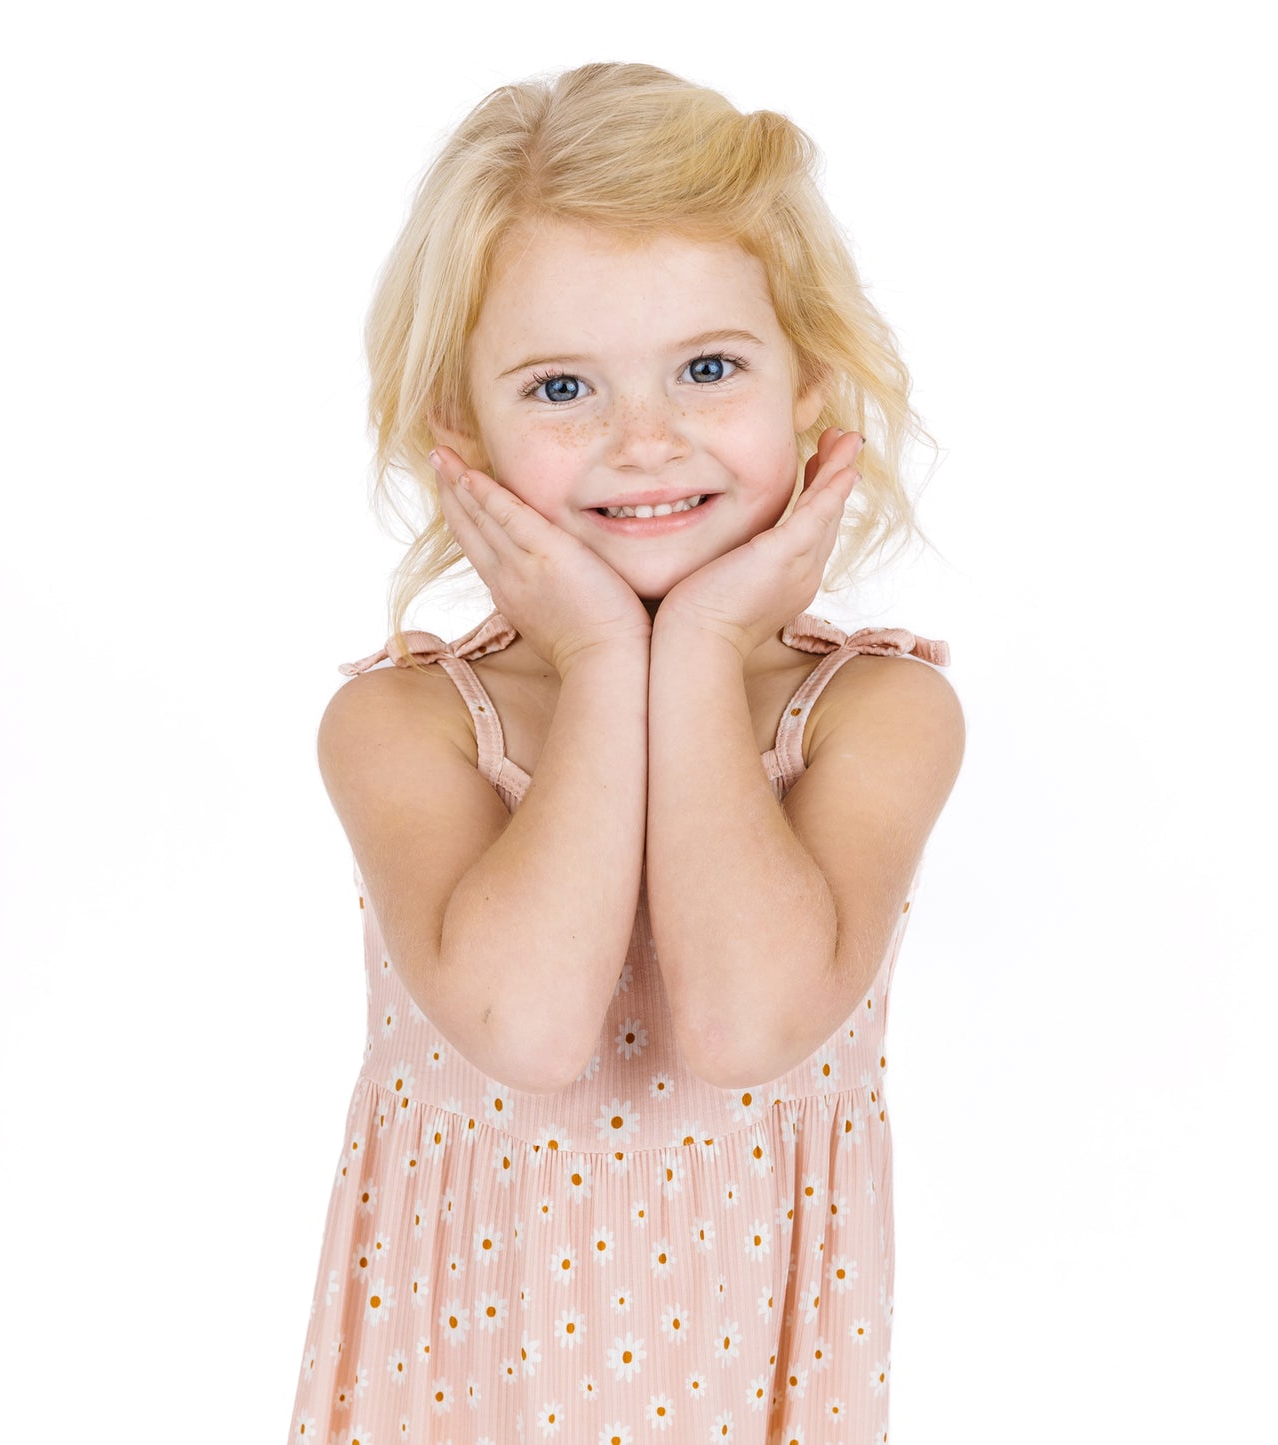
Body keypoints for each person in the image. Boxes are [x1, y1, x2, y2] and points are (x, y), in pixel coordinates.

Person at [287, 61, 965, 1444]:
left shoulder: (870, 717)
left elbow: (740, 1024)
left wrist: (703, 647)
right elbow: (529, 1030)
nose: (641, 439)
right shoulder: (408, 727)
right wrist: (607, 657)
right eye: (560, 386)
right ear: (461, 435)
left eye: (707, 368)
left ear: (812, 390)